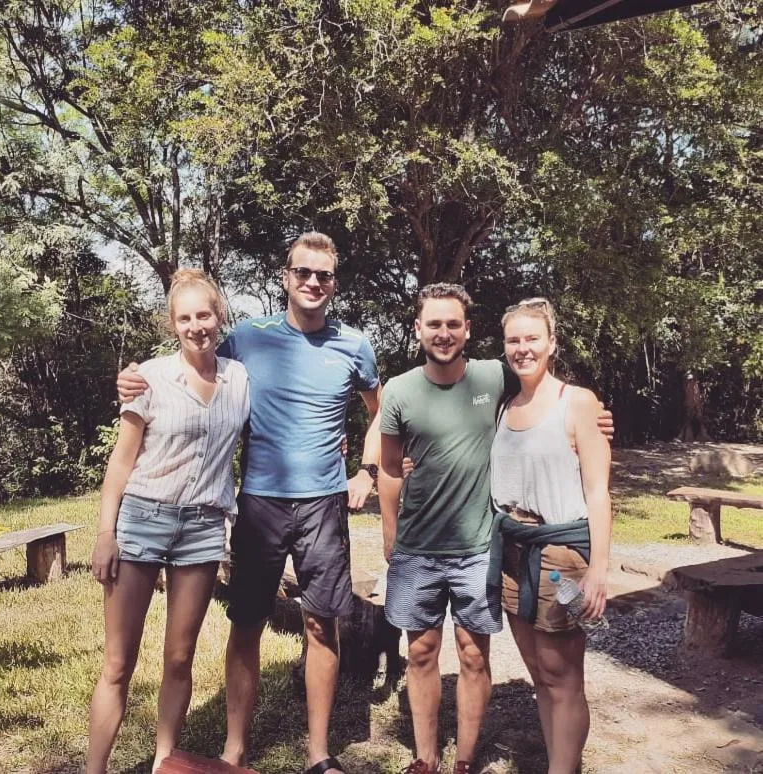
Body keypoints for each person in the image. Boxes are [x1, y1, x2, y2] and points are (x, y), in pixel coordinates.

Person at [117, 232, 381, 774]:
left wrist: (367, 470)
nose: (313, 282)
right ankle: (235, 749)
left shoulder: (354, 345)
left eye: (323, 275)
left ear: (334, 283)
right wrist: (133, 379)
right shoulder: (248, 337)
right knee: (247, 623)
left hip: (324, 505)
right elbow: (192, 359)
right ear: (285, 277)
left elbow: (381, 410)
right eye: (303, 272)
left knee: (321, 624)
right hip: (258, 503)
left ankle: (319, 753)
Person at [379, 285, 611, 774]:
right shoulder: (423, 392)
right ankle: (428, 759)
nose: (522, 349)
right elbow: (387, 457)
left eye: (454, 324)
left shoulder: (510, 382)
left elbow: (592, 479)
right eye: (434, 324)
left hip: (519, 551)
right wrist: (387, 527)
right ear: (418, 328)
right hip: (467, 550)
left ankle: (476, 761)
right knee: (453, 657)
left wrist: (598, 420)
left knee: (519, 665)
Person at [87, 269, 251, 774]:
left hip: (203, 527)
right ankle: (94, 769)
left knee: (179, 659)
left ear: (219, 316)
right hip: (142, 518)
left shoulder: (239, 378)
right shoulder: (150, 378)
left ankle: (165, 763)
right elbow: (121, 459)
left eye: (204, 314)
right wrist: (105, 534)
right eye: (185, 318)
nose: (197, 326)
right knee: (118, 664)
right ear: (172, 324)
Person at [489, 298, 612, 774]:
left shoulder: (577, 402)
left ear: (552, 343)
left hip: (561, 555)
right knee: (540, 674)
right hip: (514, 553)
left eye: (532, 338)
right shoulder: (505, 405)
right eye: (513, 340)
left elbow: (599, 491)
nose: (523, 349)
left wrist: (599, 568)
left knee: (563, 677)